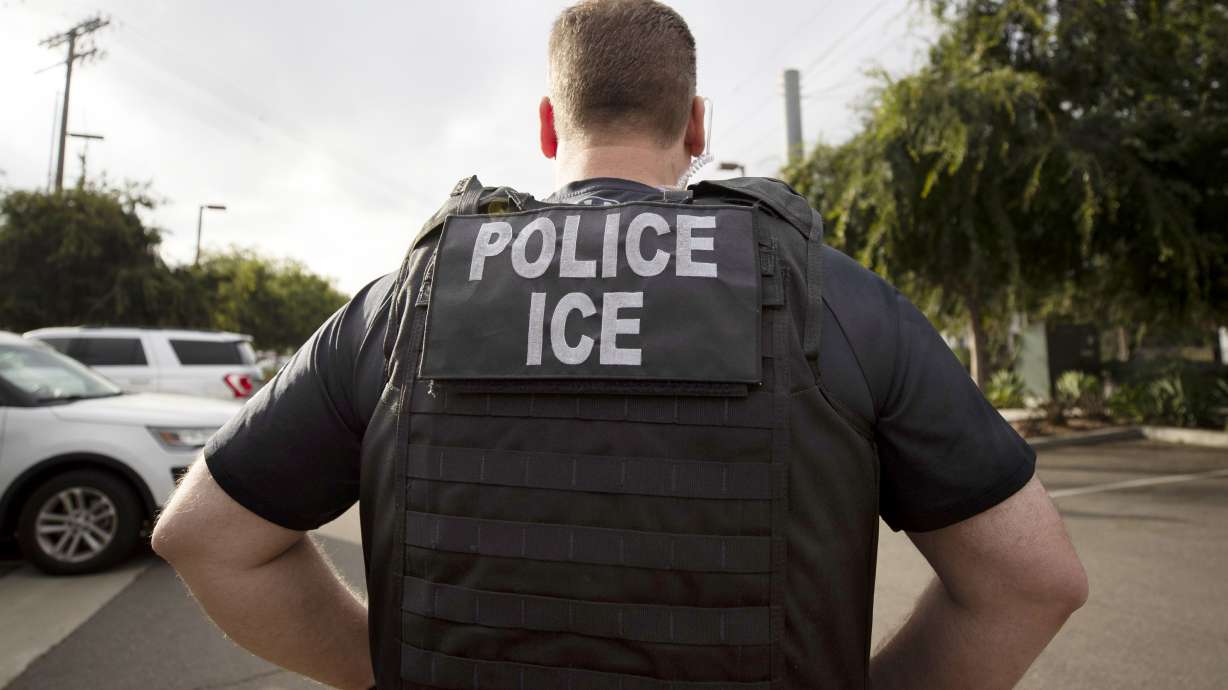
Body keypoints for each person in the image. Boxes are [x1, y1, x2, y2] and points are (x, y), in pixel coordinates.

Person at [153, 1, 1088, 688]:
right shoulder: (836, 299)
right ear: (696, 128)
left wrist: (380, 668)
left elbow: (204, 538)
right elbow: (1032, 582)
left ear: (550, 125)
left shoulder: (407, 303)